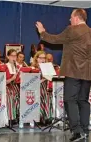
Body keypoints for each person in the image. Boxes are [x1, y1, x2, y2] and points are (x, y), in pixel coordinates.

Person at [36, 8, 91, 141]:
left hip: (73, 71)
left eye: (71, 18)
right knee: (83, 100)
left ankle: (76, 131)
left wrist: (42, 32)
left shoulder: (72, 30)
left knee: (69, 100)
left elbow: (55, 39)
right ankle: (85, 129)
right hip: (88, 72)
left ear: (77, 18)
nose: (69, 20)